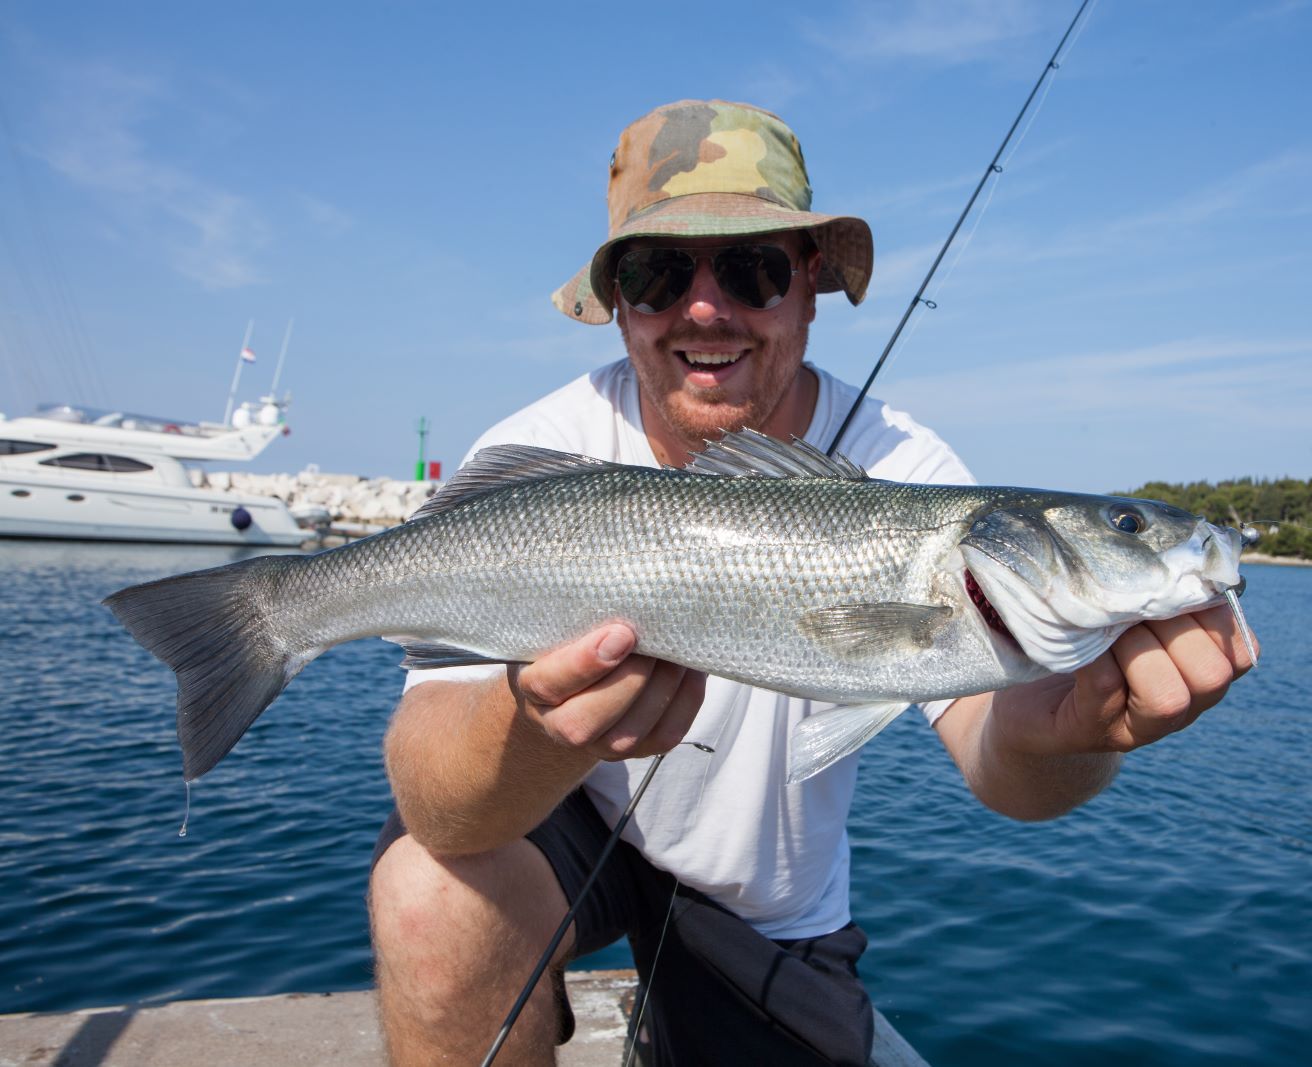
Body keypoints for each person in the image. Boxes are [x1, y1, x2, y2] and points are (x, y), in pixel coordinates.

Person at [368, 99, 1256, 1067]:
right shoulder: (536, 450)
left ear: (809, 286)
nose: (704, 308)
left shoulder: (909, 465)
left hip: (763, 892)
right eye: (656, 271)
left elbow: (1001, 762)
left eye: (752, 266)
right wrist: (538, 727)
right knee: (427, 891)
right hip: (565, 811)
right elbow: (438, 801)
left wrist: (1078, 732)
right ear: (616, 299)